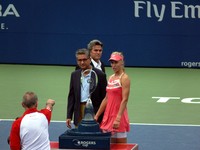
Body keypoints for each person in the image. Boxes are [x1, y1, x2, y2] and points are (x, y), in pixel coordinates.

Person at [94, 51, 130, 143]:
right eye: (112, 62)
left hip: (119, 116)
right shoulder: (110, 78)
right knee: (110, 145)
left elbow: (125, 99)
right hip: (108, 116)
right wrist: (97, 115)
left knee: (121, 147)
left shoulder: (124, 78)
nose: (113, 65)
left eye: (116, 62)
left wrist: (118, 118)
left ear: (122, 62)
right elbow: (106, 98)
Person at [66, 48, 107, 128]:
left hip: (94, 111)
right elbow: (72, 96)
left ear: (89, 59)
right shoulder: (74, 75)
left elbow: (105, 97)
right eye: (79, 60)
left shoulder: (100, 75)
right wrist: (69, 116)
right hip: (79, 111)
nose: (82, 62)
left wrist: (101, 115)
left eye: (84, 59)